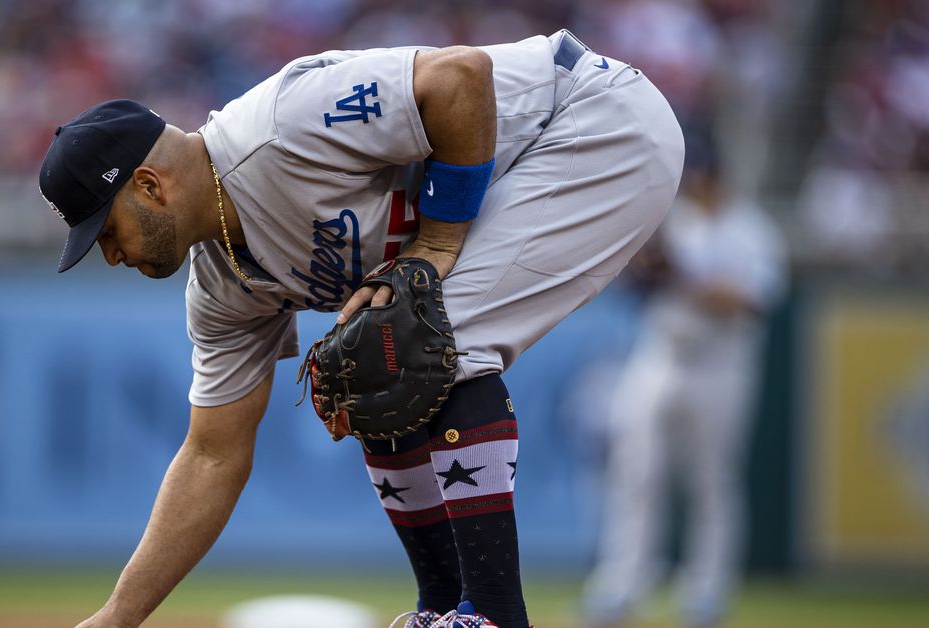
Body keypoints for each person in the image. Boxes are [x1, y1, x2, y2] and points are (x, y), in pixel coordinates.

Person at [37, 29, 684, 628]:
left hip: (593, 122)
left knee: (429, 338)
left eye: (107, 232)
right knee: (366, 368)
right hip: (544, 157)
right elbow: (212, 453)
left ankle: (491, 614)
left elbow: (460, 75)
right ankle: (442, 606)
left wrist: (436, 243)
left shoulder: (282, 127)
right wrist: (116, 617)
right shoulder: (223, 284)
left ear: (149, 185)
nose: (113, 255)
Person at [581, 134, 787, 628]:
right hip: (660, 358)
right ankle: (621, 586)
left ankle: (706, 592)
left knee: (711, 481)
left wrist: (685, 277)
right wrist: (649, 268)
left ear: (720, 175)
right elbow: (642, 283)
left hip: (721, 365)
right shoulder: (677, 221)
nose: (698, 183)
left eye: (705, 174)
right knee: (635, 476)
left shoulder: (752, 231)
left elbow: (753, 303)